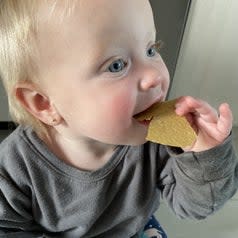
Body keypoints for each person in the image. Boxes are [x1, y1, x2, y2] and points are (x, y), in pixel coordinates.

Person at [0, 0, 237, 237]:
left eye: (151, 49)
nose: (155, 75)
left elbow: (196, 207)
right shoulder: (14, 167)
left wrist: (204, 154)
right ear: (44, 103)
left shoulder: (158, 140)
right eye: (116, 65)